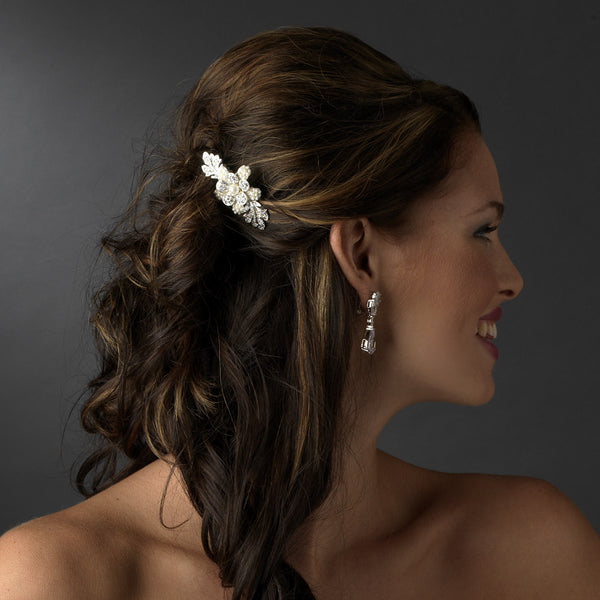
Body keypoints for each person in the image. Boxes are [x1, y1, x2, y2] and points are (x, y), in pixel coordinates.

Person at [1, 26, 600, 600]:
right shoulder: (55, 581)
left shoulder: (529, 553)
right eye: (483, 231)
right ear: (360, 255)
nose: (513, 280)